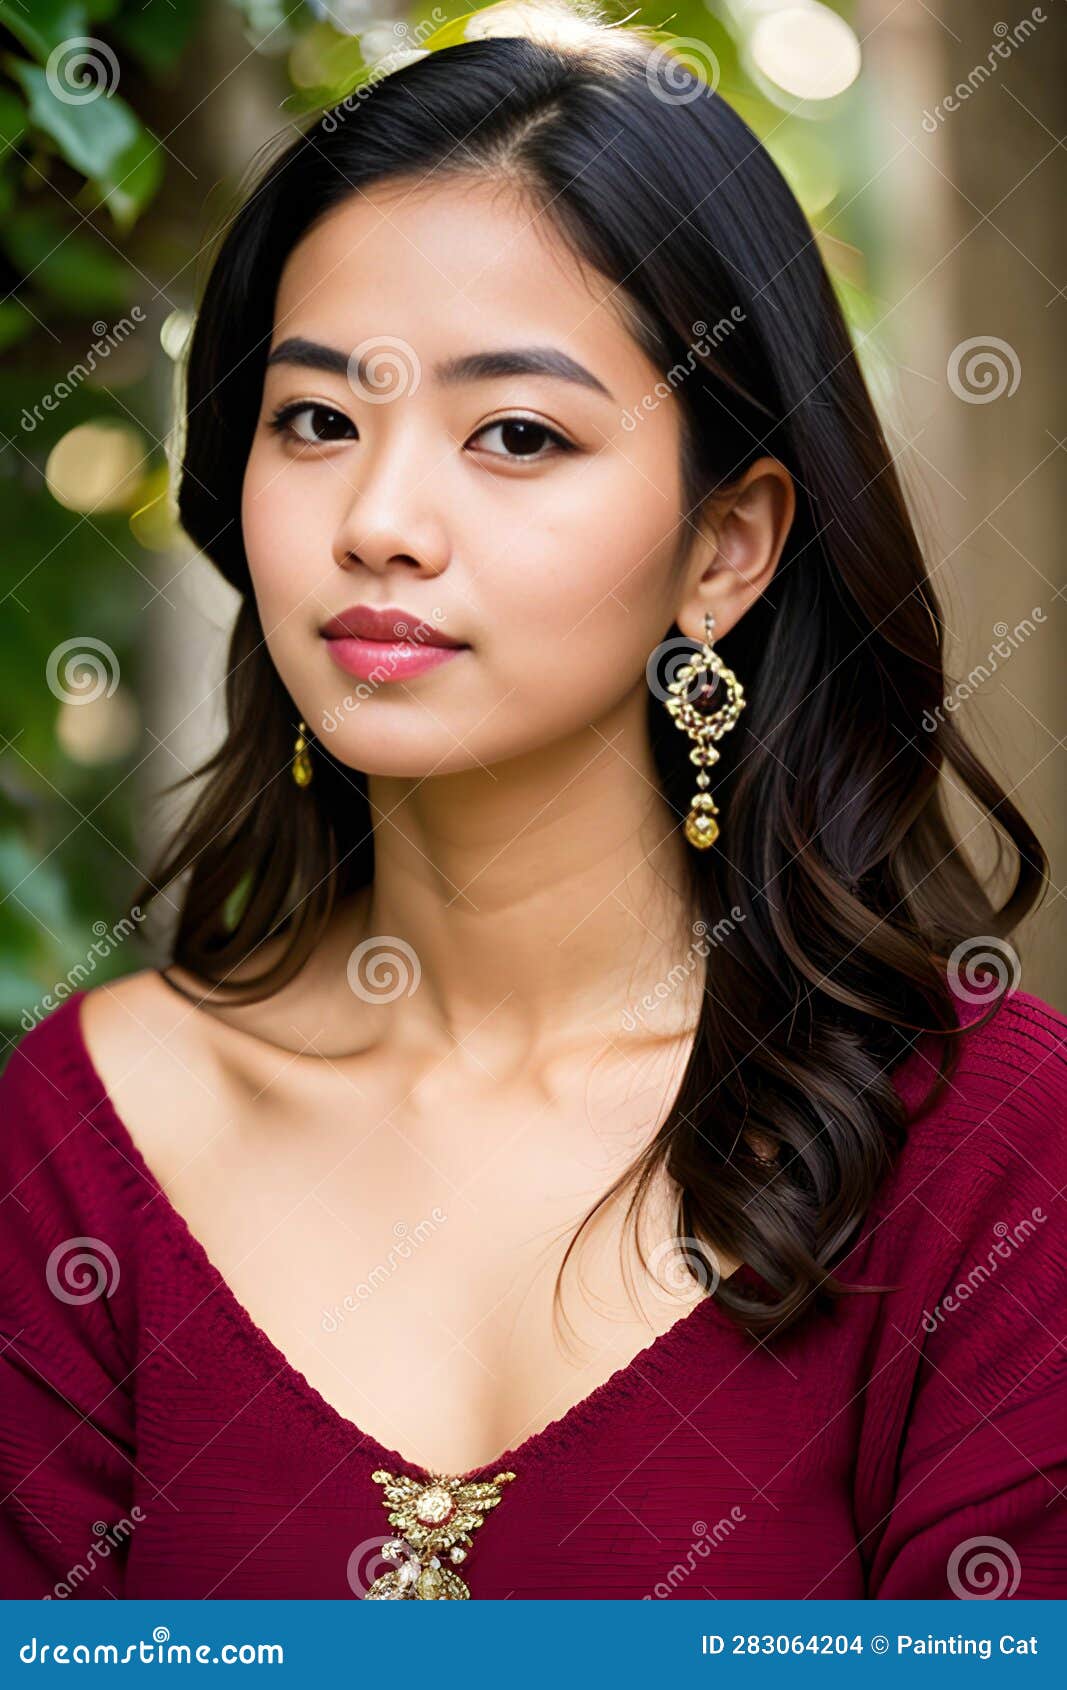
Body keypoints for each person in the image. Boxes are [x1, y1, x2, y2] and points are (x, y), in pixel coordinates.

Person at [1, 0, 1064, 1601]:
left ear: (727, 548)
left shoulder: (984, 1145)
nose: (379, 518)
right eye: (315, 420)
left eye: (515, 432)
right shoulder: (92, 1124)